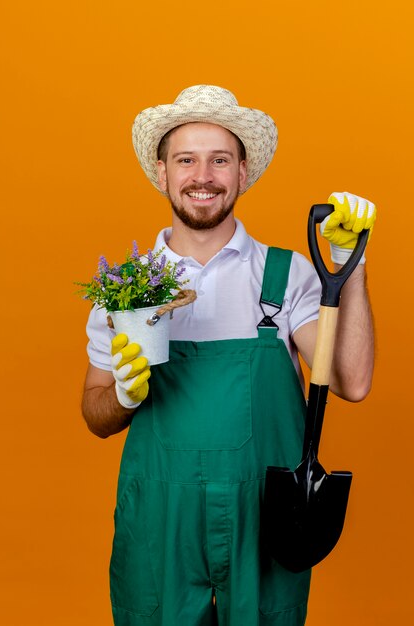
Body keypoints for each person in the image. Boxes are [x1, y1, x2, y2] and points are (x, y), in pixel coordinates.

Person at [81, 85, 376, 626]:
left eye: (220, 160)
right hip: (160, 522)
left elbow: (352, 381)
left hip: (262, 517)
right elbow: (96, 415)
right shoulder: (126, 291)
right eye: (186, 160)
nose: (203, 176)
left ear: (242, 173)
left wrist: (349, 266)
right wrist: (123, 395)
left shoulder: (286, 277)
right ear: (163, 172)